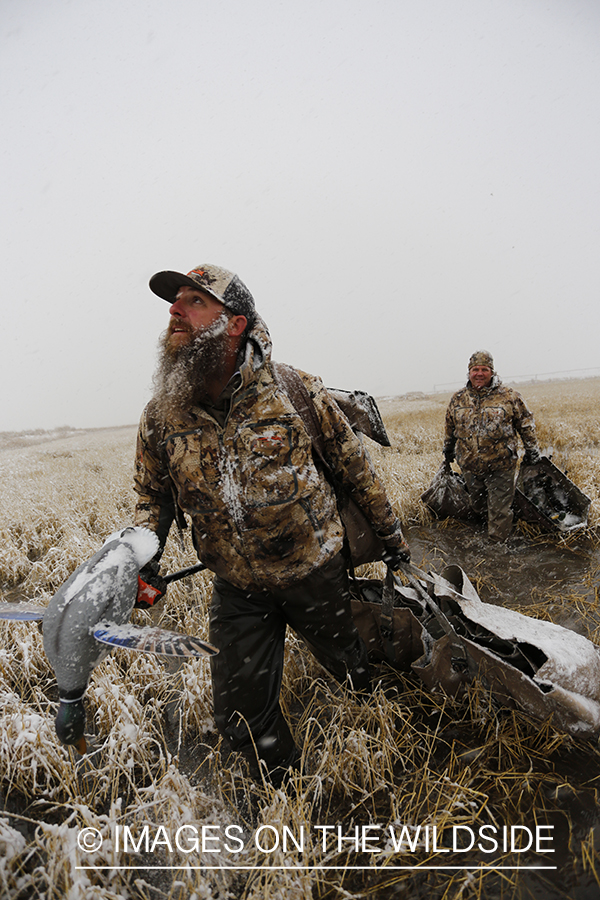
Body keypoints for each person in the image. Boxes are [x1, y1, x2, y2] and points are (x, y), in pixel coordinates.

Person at [133, 262, 410, 785]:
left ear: (234, 323)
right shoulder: (161, 416)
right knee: (240, 718)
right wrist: (144, 556)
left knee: (351, 667)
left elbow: (354, 469)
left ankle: (377, 724)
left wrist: (393, 541)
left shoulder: (295, 391)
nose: (175, 311)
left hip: (315, 570)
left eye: (195, 302)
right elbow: (153, 496)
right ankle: (286, 797)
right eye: (175, 302)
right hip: (236, 586)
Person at [443, 350, 541, 541]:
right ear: (469, 372)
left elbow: (525, 423)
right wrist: (448, 447)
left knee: (499, 511)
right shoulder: (458, 398)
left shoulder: (509, 396)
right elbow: (450, 425)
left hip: (501, 465)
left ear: (492, 372)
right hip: (470, 465)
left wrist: (532, 449)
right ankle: (493, 525)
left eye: (484, 369)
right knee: (478, 505)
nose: (479, 373)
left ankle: (498, 551)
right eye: (475, 369)